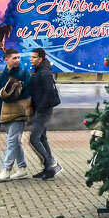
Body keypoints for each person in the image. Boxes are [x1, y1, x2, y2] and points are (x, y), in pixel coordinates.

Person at [0, 50, 34, 181]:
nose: (18, 60)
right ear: (6, 60)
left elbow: (28, 92)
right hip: (6, 114)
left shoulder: (24, 74)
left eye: (19, 57)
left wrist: (20, 87)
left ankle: (6, 169)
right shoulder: (0, 78)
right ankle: (22, 168)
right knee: (15, 142)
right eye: (14, 58)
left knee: (12, 141)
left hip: (19, 113)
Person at [27, 47, 63, 179]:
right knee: (42, 138)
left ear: (41, 59)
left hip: (43, 110)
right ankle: (48, 168)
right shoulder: (39, 71)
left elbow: (49, 91)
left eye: (34, 57)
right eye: (31, 57)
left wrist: (41, 107)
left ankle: (51, 164)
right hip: (39, 109)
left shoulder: (44, 73)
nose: (31, 59)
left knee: (34, 139)